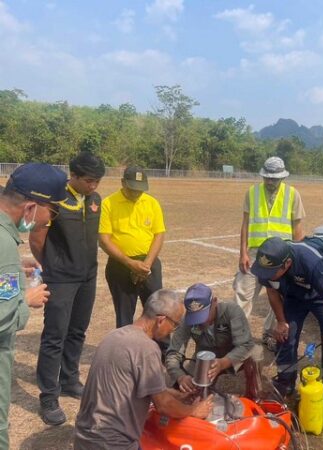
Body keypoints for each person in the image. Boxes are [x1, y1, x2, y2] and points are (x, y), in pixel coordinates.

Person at [73, 289, 213, 450]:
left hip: (84, 438)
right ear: (161, 320)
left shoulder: (114, 336)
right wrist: (193, 410)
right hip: (113, 443)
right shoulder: (147, 348)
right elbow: (164, 405)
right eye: (174, 325)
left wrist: (177, 395)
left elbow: (132, 386)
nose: (172, 331)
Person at [29, 152, 106, 426]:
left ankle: (70, 379)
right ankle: (49, 396)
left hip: (87, 277)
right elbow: (37, 238)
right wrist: (52, 267)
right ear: (73, 175)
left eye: (97, 181)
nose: (94, 186)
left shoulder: (96, 200)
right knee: (54, 336)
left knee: (77, 331)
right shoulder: (55, 198)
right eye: (89, 181)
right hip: (60, 278)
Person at [0, 163, 67, 449]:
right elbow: (3, 316)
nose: (48, 220)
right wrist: (26, 302)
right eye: (50, 212)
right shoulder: (3, 243)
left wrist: (14, 267)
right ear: (30, 208)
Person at [251, 236, 323, 421]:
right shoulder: (267, 267)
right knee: (285, 337)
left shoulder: (311, 262)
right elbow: (272, 292)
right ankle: (285, 386)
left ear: (287, 263)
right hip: (295, 296)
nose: (266, 275)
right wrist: (281, 322)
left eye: (271, 272)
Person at [234, 156, 305, 351]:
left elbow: (297, 228)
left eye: (274, 178)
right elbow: (245, 225)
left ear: (282, 177)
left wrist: (296, 259)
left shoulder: (293, 195)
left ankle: (269, 333)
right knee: (243, 294)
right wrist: (243, 253)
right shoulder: (252, 193)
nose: (270, 181)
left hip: (282, 258)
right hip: (256, 253)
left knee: (278, 298)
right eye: (267, 178)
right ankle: (238, 338)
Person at [166, 283, 264, 398]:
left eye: (203, 314)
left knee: (255, 354)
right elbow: (173, 353)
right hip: (205, 359)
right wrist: (180, 377)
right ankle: (203, 396)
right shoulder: (187, 319)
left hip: (233, 355)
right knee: (190, 392)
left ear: (215, 302)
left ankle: (254, 395)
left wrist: (223, 362)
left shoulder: (231, 310)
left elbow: (246, 345)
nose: (201, 321)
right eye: (195, 317)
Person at [99, 166, 166, 327]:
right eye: (132, 189)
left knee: (157, 314)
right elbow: (104, 240)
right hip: (120, 265)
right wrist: (130, 263)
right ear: (123, 183)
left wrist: (146, 265)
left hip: (149, 264)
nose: (136, 193)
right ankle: (125, 350)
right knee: (124, 316)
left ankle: (162, 350)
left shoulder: (151, 203)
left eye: (140, 190)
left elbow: (159, 234)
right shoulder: (108, 203)